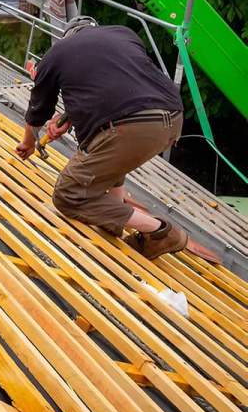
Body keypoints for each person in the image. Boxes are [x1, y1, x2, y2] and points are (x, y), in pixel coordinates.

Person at [17, 16, 188, 259]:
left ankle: (160, 231)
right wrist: (70, 117)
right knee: (109, 152)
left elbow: (37, 110)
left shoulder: (57, 53)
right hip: (172, 118)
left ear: (68, 37)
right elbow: (117, 88)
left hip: (131, 127)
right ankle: (113, 222)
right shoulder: (123, 34)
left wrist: (28, 144)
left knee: (67, 195)